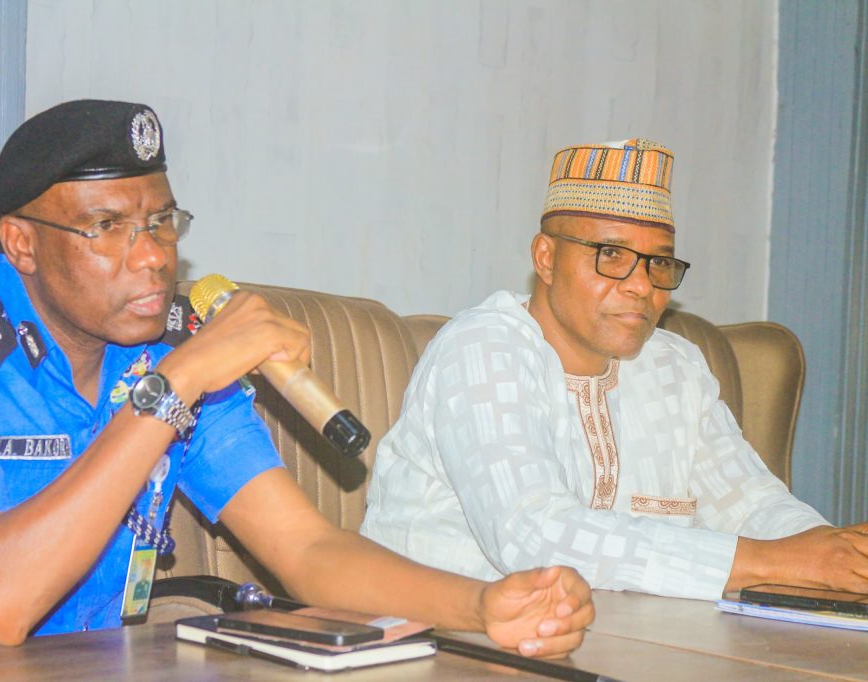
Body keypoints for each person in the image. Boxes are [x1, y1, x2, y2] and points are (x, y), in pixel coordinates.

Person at [0, 100, 592, 656]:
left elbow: (306, 550)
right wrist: (175, 385)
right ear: (21, 244)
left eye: (161, 222)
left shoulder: (171, 346)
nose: (152, 256)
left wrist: (483, 605)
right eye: (107, 227)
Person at [361, 138, 868, 601]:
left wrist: (837, 552)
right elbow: (533, 536)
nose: (641, 285)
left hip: (619, 642)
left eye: (658, 263)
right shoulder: (482, 349)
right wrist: (778, 561)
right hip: (445, 640)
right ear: (545, 258)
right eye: (611, 254)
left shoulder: (674, 366)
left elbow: (750, 504)